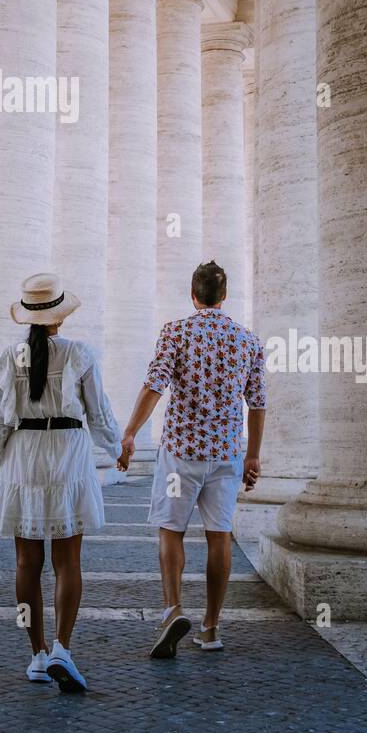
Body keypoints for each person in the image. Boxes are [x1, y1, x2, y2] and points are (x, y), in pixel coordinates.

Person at [118, 260, 266, 658]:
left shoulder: (177, 331)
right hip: (226, 454)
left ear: (193, 294)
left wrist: (130, 432)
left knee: (170, 529)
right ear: (225, 296)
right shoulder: (247, 339)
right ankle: (212, 627)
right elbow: (258, 403)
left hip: (181, 453)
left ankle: (172, 609)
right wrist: (252, 455)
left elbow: (155, 384)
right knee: (220, 536)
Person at [0, 271, 121, 693]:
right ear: (60, 316)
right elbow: (98, 415)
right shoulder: (80, 354)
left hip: (23, 455)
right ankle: (63, 645)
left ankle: (37, 654)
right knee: (68, 562)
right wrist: (118, 449)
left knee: (26, 564)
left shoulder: (8, 358)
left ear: (26, 317)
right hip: (68, 454)